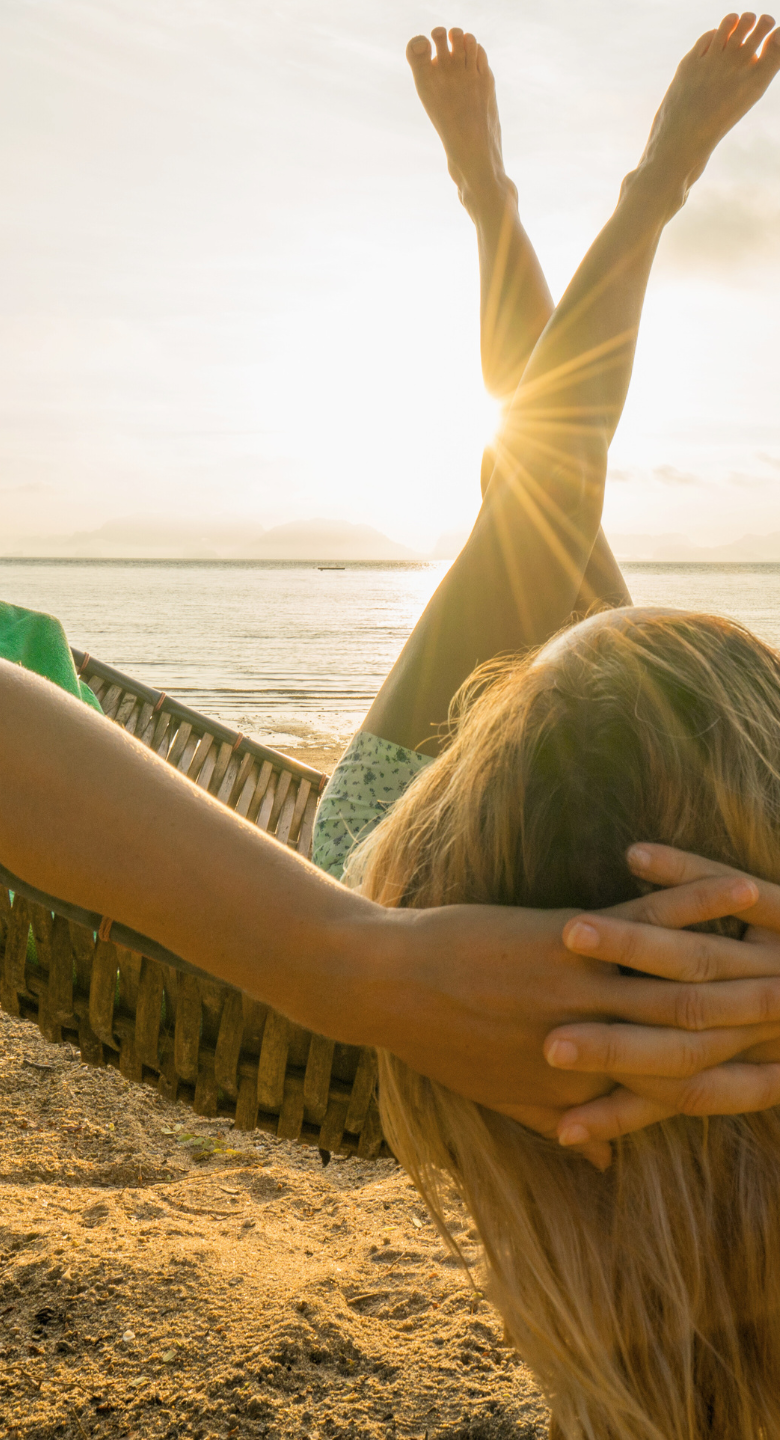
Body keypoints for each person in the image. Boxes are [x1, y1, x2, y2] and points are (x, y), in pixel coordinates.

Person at [311, 15, 780, 1436]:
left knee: (543, 484)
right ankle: (541, 195)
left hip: (416, 869)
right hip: (659, 815)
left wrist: (656, 177)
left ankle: (583, 192)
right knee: (544, 491)